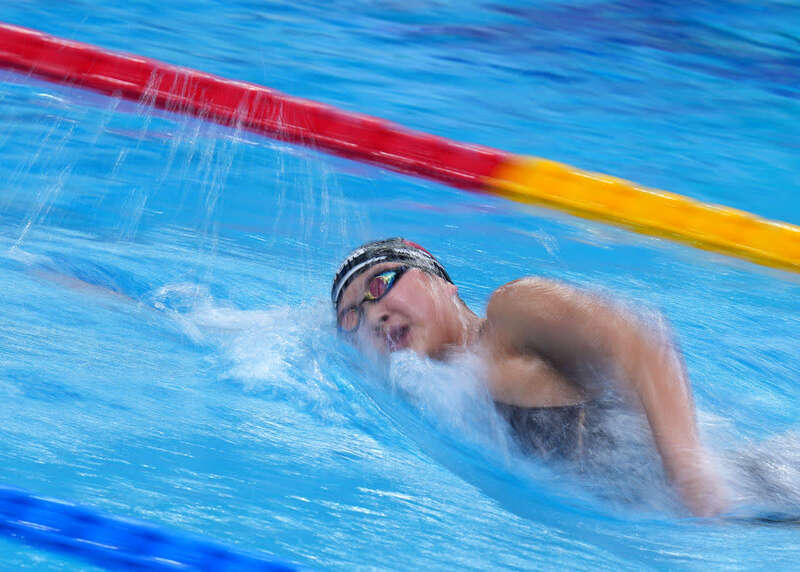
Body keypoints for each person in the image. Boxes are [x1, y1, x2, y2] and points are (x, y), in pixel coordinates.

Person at [331, 237, 731, 517]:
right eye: (352, 317)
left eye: (379, 284)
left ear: (441, 282)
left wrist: (691, 476)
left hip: (736, 507)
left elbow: (642, 342)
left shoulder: (512, 316)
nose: (374, 314)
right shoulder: (437, 397)